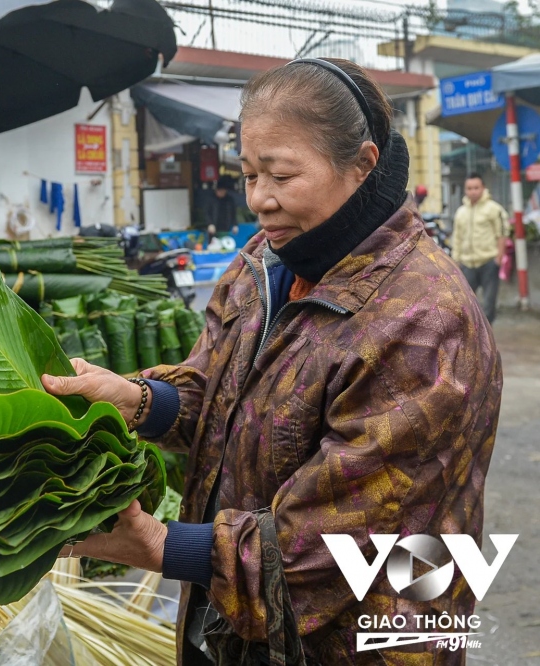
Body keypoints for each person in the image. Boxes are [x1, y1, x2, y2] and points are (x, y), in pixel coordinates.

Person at [42, 58, 501, 665]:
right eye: (250, 173)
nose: (260, 199)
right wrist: (142, 401)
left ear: (362, 165)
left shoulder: (425, 322)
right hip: (238, 631)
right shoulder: (265, 263)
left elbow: (341, 547)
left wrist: (158, 543)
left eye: (282, 175)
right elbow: (223, 395)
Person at [451, 173, 508, 323]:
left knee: (489, 305)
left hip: (489, 262)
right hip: (467, 265)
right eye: (469, 188)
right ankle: (472, 340)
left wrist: (498, 259)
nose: (473, 191)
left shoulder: (494, 209)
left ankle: (487, 342)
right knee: (466, 304)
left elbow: (502, 233)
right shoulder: (461, 212)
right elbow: (457, 237)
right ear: (465, 190)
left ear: (483, 188)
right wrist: (456, 261)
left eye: (476, 187)